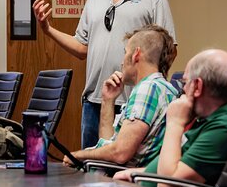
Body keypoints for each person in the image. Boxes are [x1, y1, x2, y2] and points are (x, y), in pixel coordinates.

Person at [33, 0, 177, 149]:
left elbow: (170, 49)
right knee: (90, 168)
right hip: (94, 101)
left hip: (135, 101)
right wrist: (48, 29)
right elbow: (82, 48)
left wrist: (148, 86)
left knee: (123, 164)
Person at [113, 49, 227, 187]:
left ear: (197, 86)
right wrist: (137, 173)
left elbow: (167, 185)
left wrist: (175, 123)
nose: (183, 90)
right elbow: (179, 166)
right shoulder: (211, 115)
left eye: (185, 82)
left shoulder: (226, 126)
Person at [62, 25, 178, 167]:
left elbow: (120, 153)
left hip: (127, 184)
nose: (122, 62)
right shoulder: (162, 88)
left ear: (136, 55)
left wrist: (77, 155)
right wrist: (108, 100)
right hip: (117, 176)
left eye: (125, 52)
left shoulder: (148, 89)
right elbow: (109, 146)